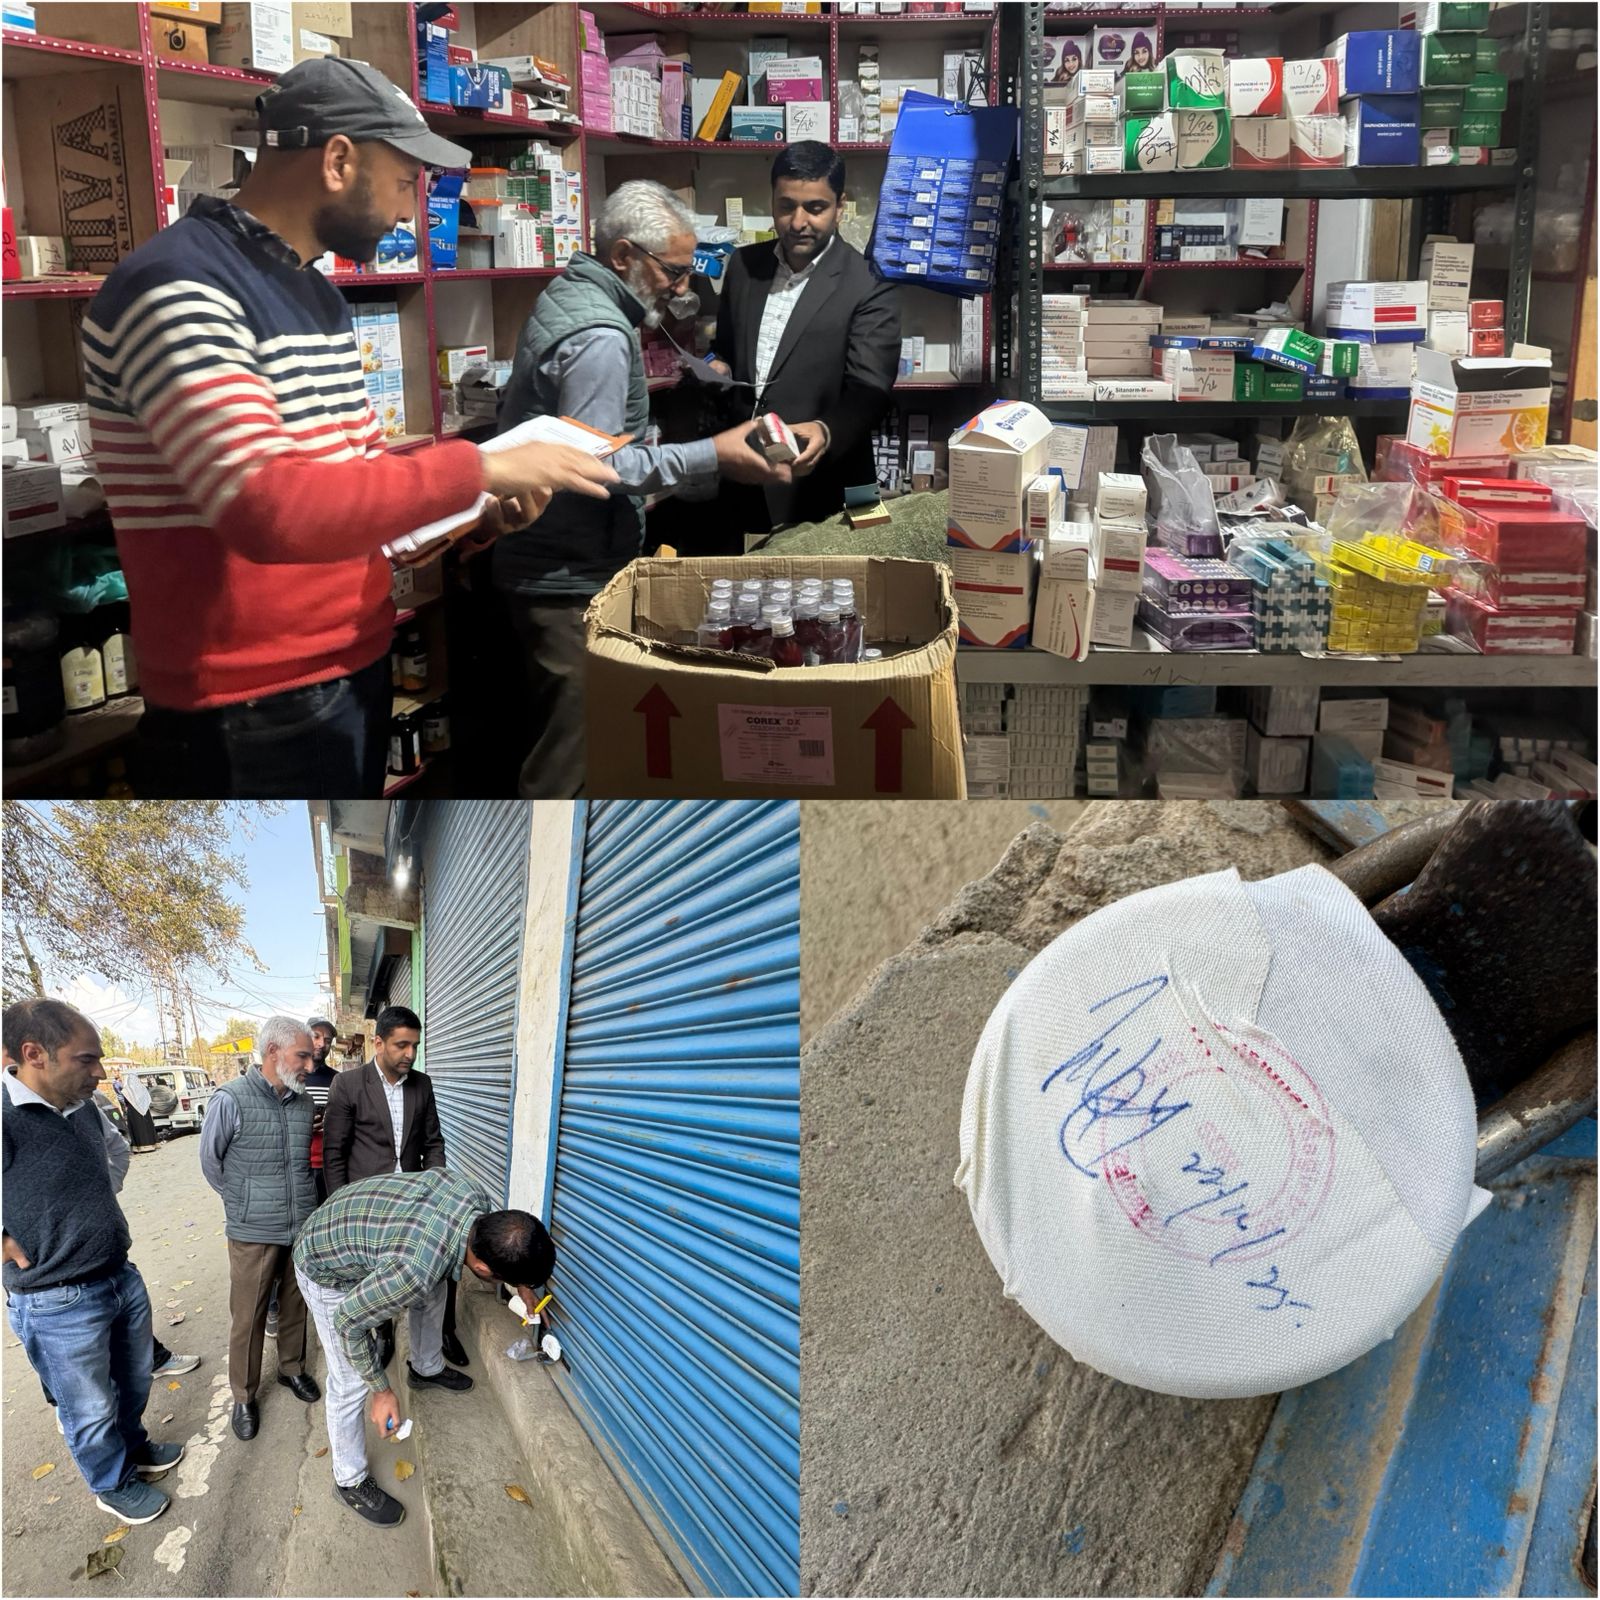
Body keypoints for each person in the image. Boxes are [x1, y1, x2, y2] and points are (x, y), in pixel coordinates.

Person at [80, 56, 619, 800]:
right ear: (338, 160)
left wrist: (478, 515)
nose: (410, 210)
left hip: (345, 672)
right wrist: (480, 468)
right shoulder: (179, 286)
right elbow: (269, 510)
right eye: (405, 181)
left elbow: (353, 487)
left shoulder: (314, 294)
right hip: (250, 706)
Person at [493, 179, 796, 798]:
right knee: (567, 764)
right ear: (624, 255)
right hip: (567, 576)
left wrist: (650, 440)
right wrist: (712, 454)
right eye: (673, 271)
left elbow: (588, 437)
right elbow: (596, 468)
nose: (682, 286)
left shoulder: (572, 293)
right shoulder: (601, 336)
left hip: (549, 563)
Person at [1, 1001, 187, 1526]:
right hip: (55, 1298)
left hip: (117, 1274)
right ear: (34, 1054)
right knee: (89, 1408)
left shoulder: (83, 1106)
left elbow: (115, 1154)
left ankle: (134, 1450)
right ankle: (112, 1483)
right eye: (87, 1059)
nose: (101, 1072)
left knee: (133, 1382)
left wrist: (95, 1205)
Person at [293, 1168, 553, 1526]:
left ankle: (425, 1367)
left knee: (437, 1286)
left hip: (355, 1221)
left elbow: (440, 1259)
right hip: (323, 1263)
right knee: (350, 1380)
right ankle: (348, 1479)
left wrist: (521, 1285)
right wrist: (381, 1390)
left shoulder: (475, 1198)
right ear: (481, 1265)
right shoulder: (414, 1270)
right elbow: (348, 1324)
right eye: (507, 1279)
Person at [707, 141, 901, 533]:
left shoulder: (869, 282)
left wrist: (827, 430)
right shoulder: (744, 266)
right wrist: (715, 366)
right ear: (772, 201)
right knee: (744, 588)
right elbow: (725, 349)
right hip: (746, 470)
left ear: (839, 206)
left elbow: (871, 389)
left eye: (815, 208)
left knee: (839, 591)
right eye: (786, 206)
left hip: (831, 478)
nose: (798, 222)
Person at [321, 1005, 467, 1370]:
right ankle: (383, 1332)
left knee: (439, 1265)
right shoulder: (349, 1084)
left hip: (416, 1199)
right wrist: (342, 1205)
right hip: (370, 1204)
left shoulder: (422, 1084)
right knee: (377, 1272)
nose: (410, 1054)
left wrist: (437, 1189)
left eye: (415, 1045)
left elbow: (433, 1142)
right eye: (402, 1045)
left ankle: (443, 1334)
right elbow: (334, 1152)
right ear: (378, 1043)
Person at [198, 1016, 323, 1441]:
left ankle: (291, 1369)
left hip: (300, 1225)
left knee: (295, 1304)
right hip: (252, 1231)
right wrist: (243, 1203)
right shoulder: (230, 1099)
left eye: (311, 1055)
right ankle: (245, 1394)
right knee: (248, 1316)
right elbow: (211, 1163)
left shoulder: (304, 1103)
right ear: (273, 1052)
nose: (310, 1063)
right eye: (302, 1055)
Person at [304, 1018, 341, 1207]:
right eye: (316, 1036)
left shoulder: (338, 1080)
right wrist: (302, 1126)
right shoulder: (292, 1076)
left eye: (327, 1040)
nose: (321, 1044)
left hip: (329, 1166)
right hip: (299, 1165)